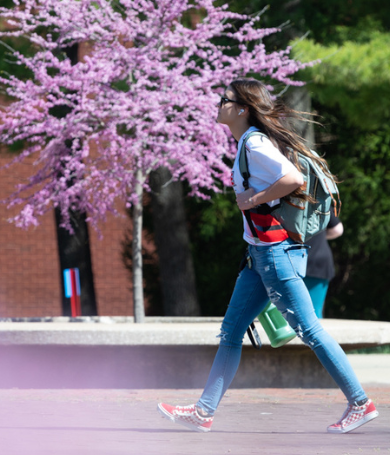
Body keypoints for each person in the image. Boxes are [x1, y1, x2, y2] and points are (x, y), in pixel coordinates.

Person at [158, 79, 377, 434]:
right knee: (231, 332)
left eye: (224, 99)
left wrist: (254, 199)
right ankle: (203, 413)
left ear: (243, 109)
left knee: (310, 330)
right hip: (260, 256)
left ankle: (360, 402)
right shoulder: (249, 142)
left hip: (276, 255)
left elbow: (292, 179)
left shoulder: (255, 143)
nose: (218, 103)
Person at [303, 214, 343, 318]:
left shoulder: (283, 200)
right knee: (314, 313)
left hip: (293, 259)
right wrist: (319, 236)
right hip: (319, 259)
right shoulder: (321, 201)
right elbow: (338, 230)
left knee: (286, 313)